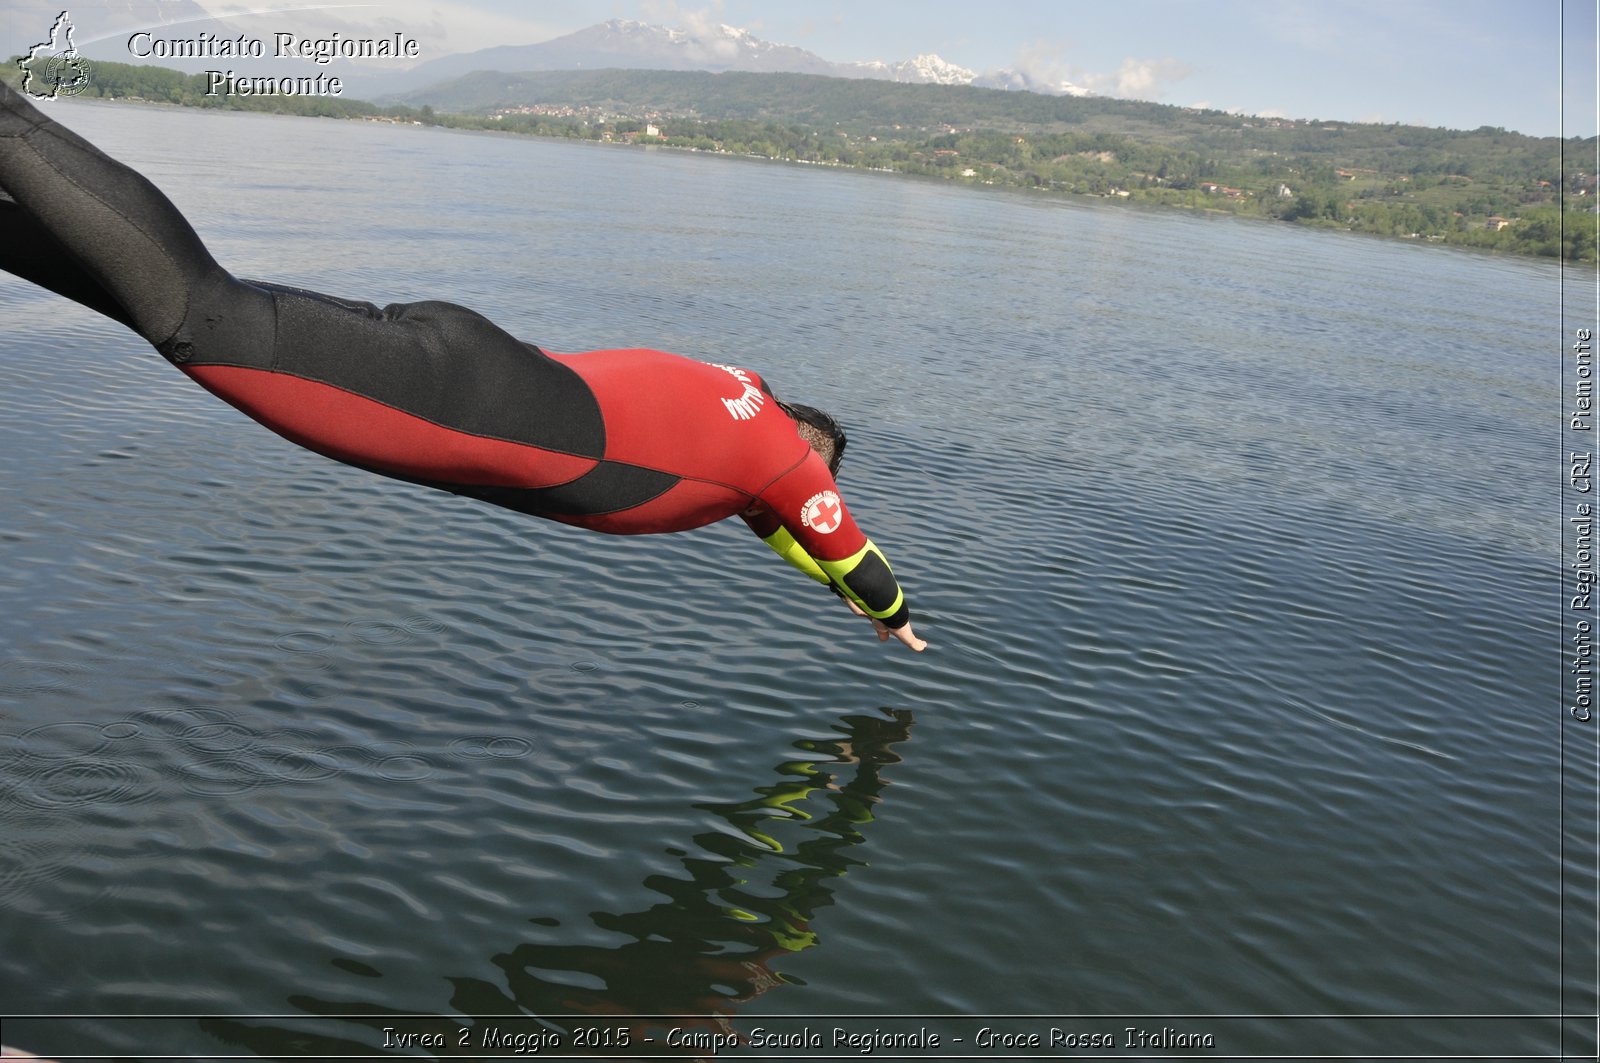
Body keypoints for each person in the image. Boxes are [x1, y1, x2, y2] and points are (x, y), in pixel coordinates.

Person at [0, 81, 925, 651]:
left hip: (480, 362)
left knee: (189, 311)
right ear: (814, 450)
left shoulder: (736, 396)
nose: (785, 509)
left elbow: (783, 531)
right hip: (474, 407)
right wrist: (888, 614)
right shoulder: (786, 458)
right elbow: (834, 536)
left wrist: (828, 574)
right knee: (202, 316)